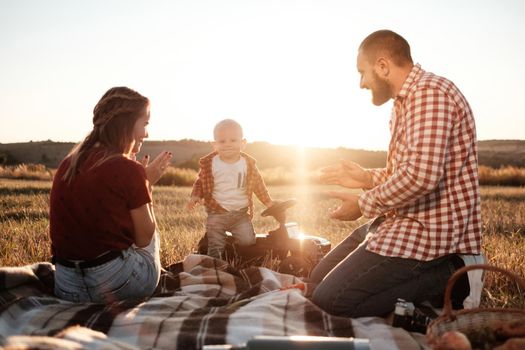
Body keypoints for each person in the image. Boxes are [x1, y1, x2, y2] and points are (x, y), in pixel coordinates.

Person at [311, 30, 482, 318]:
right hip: (400, 222)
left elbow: (421, 177)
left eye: (362, 73)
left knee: (332, 302)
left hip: (431, 239)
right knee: (317, 280)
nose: (362, 83)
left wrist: (362, 203)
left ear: (382, 66)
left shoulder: (430, 94)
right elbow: (404, 173)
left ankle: (453, 278)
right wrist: (366, 178)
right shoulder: (404, 103)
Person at [49, 86, 173, 303]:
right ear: (126, 123)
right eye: (144, 124)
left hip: (67, 286)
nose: (146, 133)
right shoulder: (127, 169)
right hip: (118, 285)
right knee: (148, 236)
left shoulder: (68, 164)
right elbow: (144, 238)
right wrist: (146, 185)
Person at [187, 119, 274, 259]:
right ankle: (215, 265)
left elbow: (259, 185)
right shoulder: (210, 164)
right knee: (215, 246)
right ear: (214, 145)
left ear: (243, 143)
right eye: (222, 141)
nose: (228, 144)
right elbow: (200, 181)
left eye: (233, 140)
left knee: (248, 241)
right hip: (217, 213)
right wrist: (195, 196)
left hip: (240, 214)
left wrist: (269, 202)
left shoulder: (248, 164)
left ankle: (233, 252)